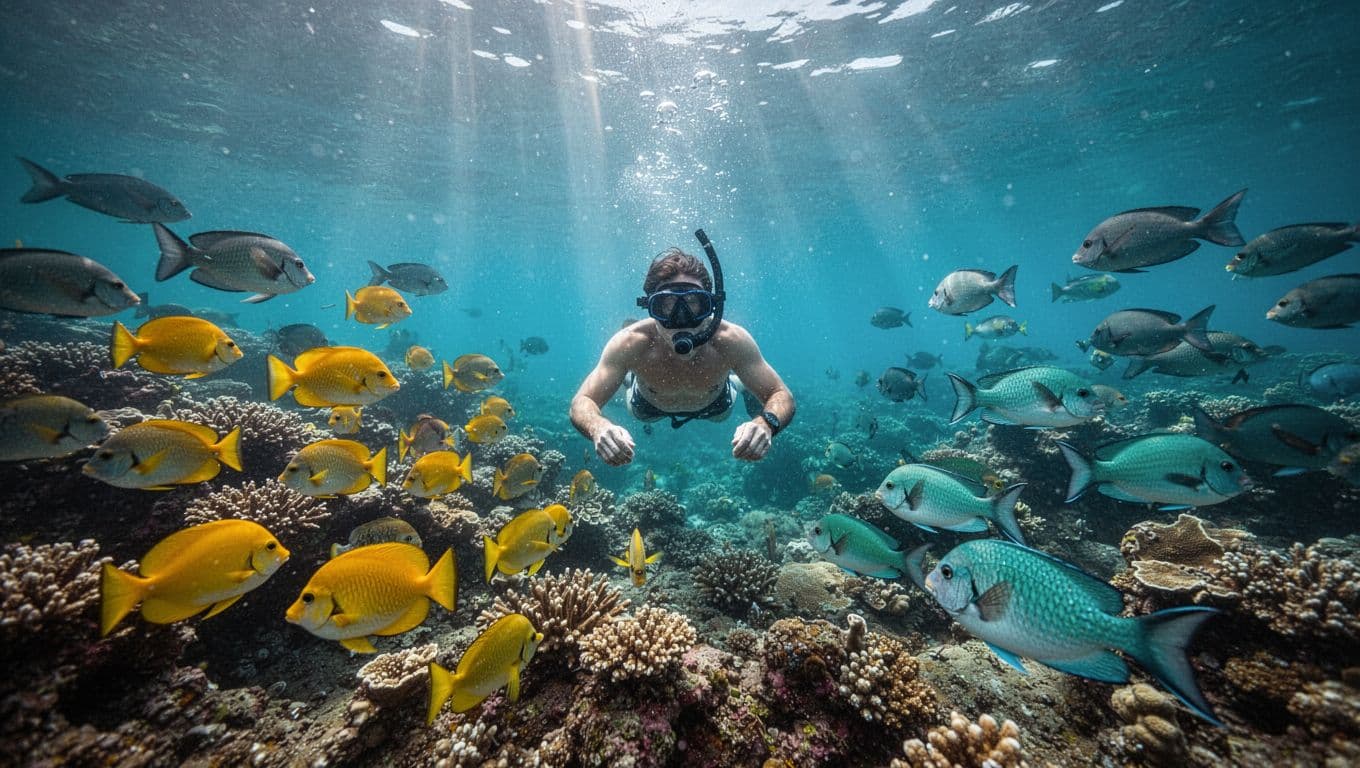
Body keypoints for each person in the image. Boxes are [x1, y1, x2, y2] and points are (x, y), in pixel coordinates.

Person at [570, 232, 795, 467]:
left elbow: (782, 396)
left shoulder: (730, 340)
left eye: (694, 304)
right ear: (650, 307)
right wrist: (599, 427)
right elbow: (582, 401)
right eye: (665, 307)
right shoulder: (630, 342)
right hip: (647, 405)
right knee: (630, 385)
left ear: (711, 306)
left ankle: (739, 380)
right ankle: (629, 375)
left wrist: (765, 423)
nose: (682, 319)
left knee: (731, 394)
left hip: (716, 404)